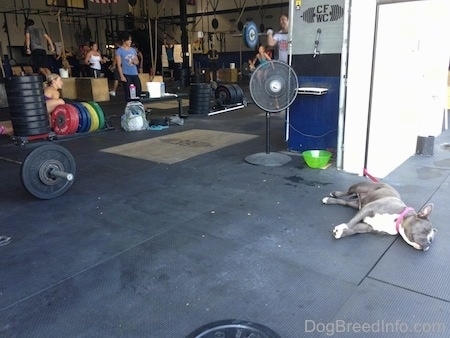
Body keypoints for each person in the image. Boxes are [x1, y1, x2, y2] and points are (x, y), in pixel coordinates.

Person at [115, 32, 141, 102]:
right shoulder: (119, 51)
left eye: (130, 40)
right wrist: (121, 76)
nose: (130, 41)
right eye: (128, 40)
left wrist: (135, 62)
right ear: (124, 40)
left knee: (138, 89)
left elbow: (137, 61)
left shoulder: (133, 50)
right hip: (126, 73)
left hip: (134, 73)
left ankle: (137, 104)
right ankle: (129, 106)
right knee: (128, 91)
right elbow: (119, 65)